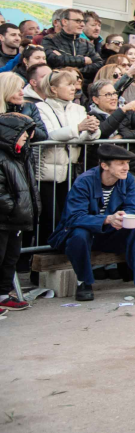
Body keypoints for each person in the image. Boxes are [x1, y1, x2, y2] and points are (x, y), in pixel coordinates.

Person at [50, 144, 135, 301]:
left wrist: (124, 217)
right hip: (81, 236)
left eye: (127, 163)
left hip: (108, 234)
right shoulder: (84, 182)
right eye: (121, 163)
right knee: (80, 234)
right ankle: (84, 282)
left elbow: (132, 208)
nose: (126, 167)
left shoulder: (127, 180)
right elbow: (74, 217)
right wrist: (107, 219)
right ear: (104, 165)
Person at [36, 69, 101, 244]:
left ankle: (64, 251)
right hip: (48, 173)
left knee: (69, 214)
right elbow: (50, 135)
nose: (74, 88)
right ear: (54, 88)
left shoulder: (78, 108)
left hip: (72, 170)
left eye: (74, 84)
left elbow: (83, 137)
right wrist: (79, 128)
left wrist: (92, 131)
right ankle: (43, 255)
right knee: (50, 217)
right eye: (69, 84)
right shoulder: (40, 107)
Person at [0, 112, 37, 312]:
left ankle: (3, 295)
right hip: (5, 217)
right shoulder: (3, 156)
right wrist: (13, 208)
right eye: (23, 132)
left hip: (16, 218)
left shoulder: (21, 154)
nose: (27, 136)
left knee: (10, 258)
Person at [42, 8, 103, 84]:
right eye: (78, 21)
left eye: (83, 21)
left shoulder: (87, 44)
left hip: (81, 88)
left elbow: (98, 65)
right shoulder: (50, 40)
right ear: (65, 22)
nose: (82, 24)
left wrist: (74, 72)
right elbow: (53, 60)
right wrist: (83, 60)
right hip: (58, 85)